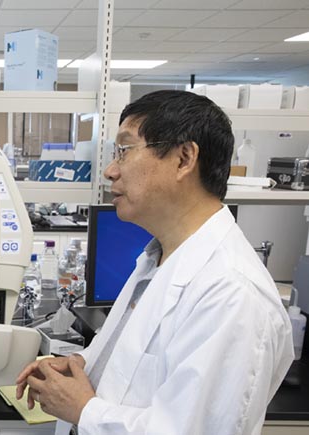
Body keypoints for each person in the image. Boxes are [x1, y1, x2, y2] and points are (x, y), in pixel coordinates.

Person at [15, 90, 293, 435]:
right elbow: (136, 371)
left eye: (125, 150)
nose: (110, 170)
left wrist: (84, 410)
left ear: (184, 158)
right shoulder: (157, 260)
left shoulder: (232, 295)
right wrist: (83, 366)